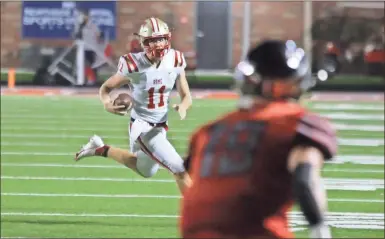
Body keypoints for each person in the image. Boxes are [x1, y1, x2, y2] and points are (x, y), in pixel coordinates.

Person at [180, 40, 338, 239]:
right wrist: (319, 228)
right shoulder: (294, 121)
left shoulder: (208, 131)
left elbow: (193, 172)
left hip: (194, 231)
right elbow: (305, 179)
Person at [74, 17, 193, 193]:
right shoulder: (134, 64)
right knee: (179, 169)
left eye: (160, 39)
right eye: (152, 40)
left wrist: (183, 105)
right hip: (143, 128)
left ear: (167, 39)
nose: (157, 44)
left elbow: (186, 95)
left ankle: (100, 149)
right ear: (143, 42)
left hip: (160, 126)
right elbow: (105, 88)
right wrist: (107, 103)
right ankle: (200, 218)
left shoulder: (175, 59)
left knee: (145, 170)